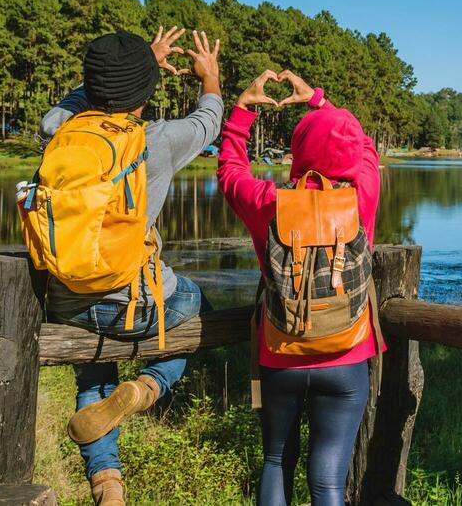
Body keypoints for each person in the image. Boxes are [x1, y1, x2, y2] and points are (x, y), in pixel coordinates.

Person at [36, 27, 223, 506]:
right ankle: (146, 387)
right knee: (201, 307)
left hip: (67, 301)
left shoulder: (58, 129)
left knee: (92, 379)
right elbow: (208, 123)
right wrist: (210, 78)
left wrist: (130, 72)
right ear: (146, 93)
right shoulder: (154, 140)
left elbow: (68, 105)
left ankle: (107, 487)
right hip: (134, 303)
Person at [218, 70, 383, 506]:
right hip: (347, 358)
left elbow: (231, 172)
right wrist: (320, 103)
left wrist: (242, 112)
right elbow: (365, 147)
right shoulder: (362, 196)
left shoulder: (271, 202)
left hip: (281, 354)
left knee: (276, 461)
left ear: (298, 151)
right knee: (328, 484)